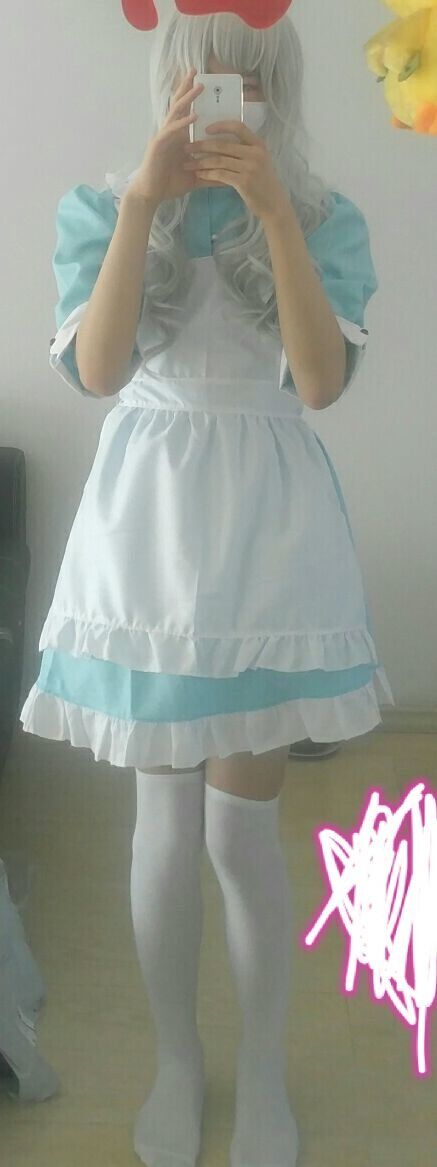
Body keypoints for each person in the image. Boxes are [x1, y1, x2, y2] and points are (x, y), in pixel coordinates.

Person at [21, 11, 395, 1166]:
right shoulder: (105, 207)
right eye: (199, 78)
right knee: (162, 831)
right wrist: (143, 204)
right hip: (148, 539)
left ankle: (264, 1072)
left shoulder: (320, 218)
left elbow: (319, 383)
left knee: (239, 835)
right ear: (169, 80)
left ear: (275, 87)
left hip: (266, 544)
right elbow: (96, 372)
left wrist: (274, 210)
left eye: (244, 81)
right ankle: (178, 1065)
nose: (219, 98)